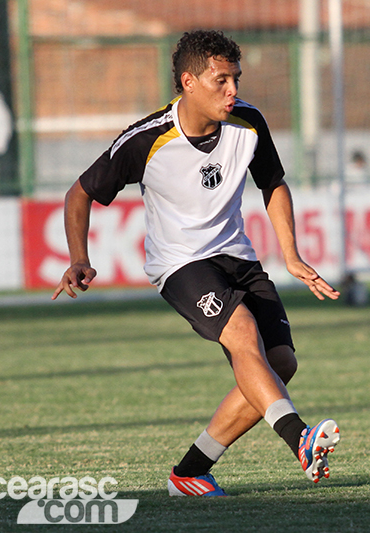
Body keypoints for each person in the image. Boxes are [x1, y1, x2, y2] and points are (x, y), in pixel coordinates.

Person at [52, 30, 341, 496]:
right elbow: (79, 193)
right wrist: (79, 258)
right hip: (181, 265)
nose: (233, 90)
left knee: (280, 364)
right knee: (243, 332)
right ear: (188, 82)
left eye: (236, 79)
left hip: (237, 256)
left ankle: (190, 471)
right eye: (220, 80)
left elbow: (273, 183)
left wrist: (291, 254)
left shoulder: (249, 124)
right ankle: (300, 437)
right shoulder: (147, 139)